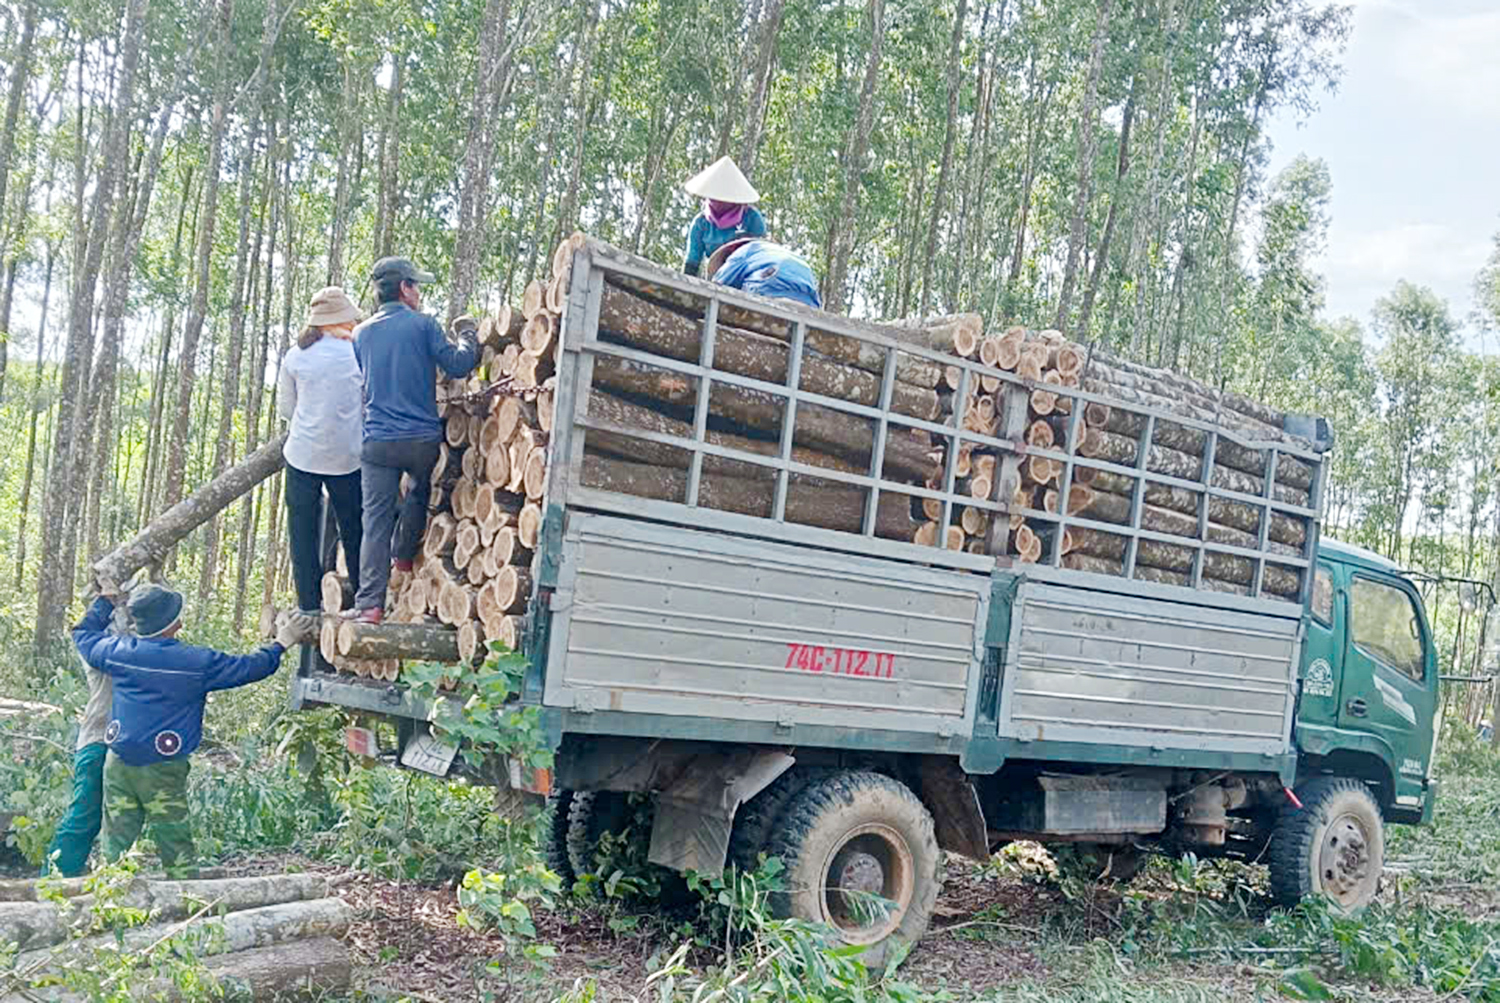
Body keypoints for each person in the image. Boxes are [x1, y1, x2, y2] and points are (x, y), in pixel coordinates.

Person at [71, 583, 310, 876]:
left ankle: (108, 899)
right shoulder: (195, 662)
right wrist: (281, 643)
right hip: (162, 768)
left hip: (117, 762)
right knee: (174, 841)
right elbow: (249, 667)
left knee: (116, 842)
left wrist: (105, 602)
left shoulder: (118, 652)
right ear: (175, 624)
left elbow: (83, 635)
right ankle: (186, 903)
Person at [347, 257, 479, 624]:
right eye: (416, 285)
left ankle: (369, 605)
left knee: (374, 522)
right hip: (420, 437)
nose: (419, 292)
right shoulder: (423, 325)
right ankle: (404, 555)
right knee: (419, 489)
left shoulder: (361, 334)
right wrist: (469, 333)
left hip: (378, 441)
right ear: (404, 288)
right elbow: (457, 365)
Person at [280, 287, 365, 617]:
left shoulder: (295, 356)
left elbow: (287, 408)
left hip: (303, 453)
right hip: (347, 455)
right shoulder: (357, 354)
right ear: (339, 321)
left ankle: (308, 603)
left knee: (302, 529)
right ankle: (362, 596)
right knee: (353, 527)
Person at [40, 656, 111, 877]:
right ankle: (54, 884)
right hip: (99, 739)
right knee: (85, 816)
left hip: (133, 743)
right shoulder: (98, 641)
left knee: (126, 819)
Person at [681, 156, 767, 277]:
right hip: (716, 278)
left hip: (748, 278)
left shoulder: (752, 218)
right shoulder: (701, 223)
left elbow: (763, 255)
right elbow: (692, 262)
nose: (716, 201)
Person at [706, 237, 824, 310]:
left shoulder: (743, 251)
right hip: (809, 305)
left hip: (767, 293)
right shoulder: (793, 256)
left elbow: (716, 288)